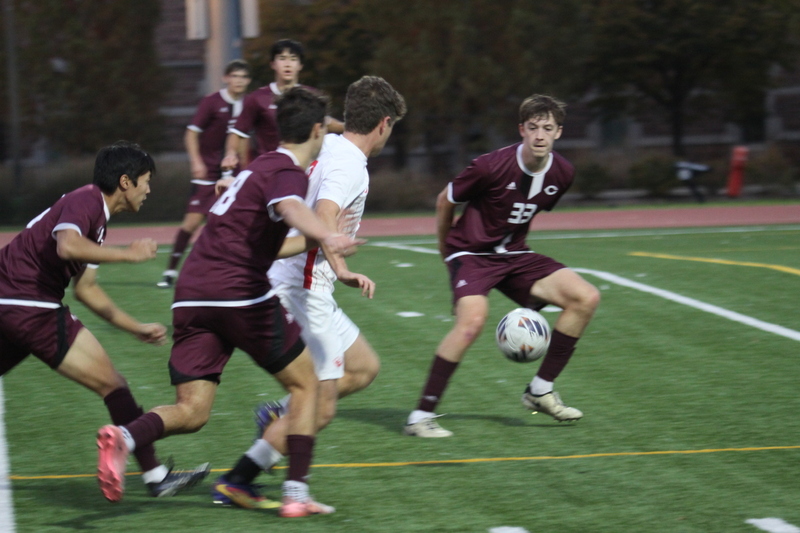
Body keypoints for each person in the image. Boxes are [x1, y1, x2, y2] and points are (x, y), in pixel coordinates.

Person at [95, 88, 364, 517]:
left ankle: (124, 438)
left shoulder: (257, 168)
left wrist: (320, 241)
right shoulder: (288, 171)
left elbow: (268, 244)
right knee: (308, 384)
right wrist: (329, 233)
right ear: (317, 130)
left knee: (193, 410)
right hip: (236, 292)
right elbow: (293, 206)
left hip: (191, 292)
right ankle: (296, 494)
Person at [211, 76, 406, 509]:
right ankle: (245, 480)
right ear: (384, 123)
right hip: (303, 289)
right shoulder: (350, 164)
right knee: (320, 405)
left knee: (363, 367)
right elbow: (325, 213)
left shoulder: (331, 142)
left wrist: (339, 270)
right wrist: (342, 264)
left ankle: (277, 415)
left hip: (303, 280)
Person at [0, 141, 210, 501]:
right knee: (115, 386)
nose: (149, 189)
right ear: (125, 182)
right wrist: (127, 256)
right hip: (27, 304)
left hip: (12, 302)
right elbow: (67, 246)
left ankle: (156, 476)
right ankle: (156, 476)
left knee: (115, 385)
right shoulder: (86, 200)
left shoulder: (96, 218)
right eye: (145, 181)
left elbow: (87, 289)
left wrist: (135, 327)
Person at [403, 95, 601, 438]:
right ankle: (420, 416)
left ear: (558, 133)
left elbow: (523, 212)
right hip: (470, 254)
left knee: (585, 297)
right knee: (471, 323)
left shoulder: (563, 173)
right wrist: (446, 250)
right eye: (534, 127)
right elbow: (444, 200)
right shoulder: (489, 166)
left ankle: (540, 390)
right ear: (521, 129)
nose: (540, 135)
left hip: (514, 255)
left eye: (548, 128)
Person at [158, 59, 252, 288]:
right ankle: (170, 271)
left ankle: (232, 272)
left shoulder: (249, 105)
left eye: (243, 77)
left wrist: (248, 170)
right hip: (208, 173)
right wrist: (196, 161)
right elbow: (191, 134)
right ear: (226, 78)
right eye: (235, 76)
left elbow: (244, 142)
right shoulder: (212, 102)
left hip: (234, 175)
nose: (239, 80)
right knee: (191, 224)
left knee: (234, 225)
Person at [221, 39, 343, 171]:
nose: (287, 64)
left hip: (305, 170)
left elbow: (326, 123)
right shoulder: (257, 98)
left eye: (293, 59)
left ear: (300, 65)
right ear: (273, 64)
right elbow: (237, 132)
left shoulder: (311, 96)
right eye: (282, 58)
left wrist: (351, 127)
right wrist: (230, 154)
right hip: (269, 170)